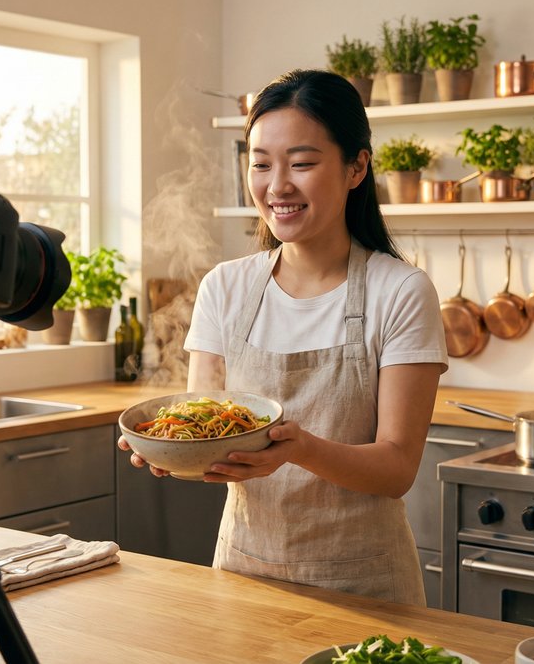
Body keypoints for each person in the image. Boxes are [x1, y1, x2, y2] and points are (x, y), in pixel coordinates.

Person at [119, 69, 448, 605]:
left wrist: (300, 449)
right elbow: (208, 425)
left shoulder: (402, 290)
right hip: (245, 573)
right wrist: (171, 449)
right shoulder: (225, 287)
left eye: (302, 163)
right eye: (261, 164)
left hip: (367, 587)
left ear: (356, 167)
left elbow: (396, 469)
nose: (277, 187)